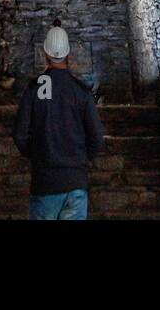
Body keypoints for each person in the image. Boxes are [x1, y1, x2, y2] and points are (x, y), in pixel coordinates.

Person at [12, 22, 105, 220]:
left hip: (44, 182)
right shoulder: (81, 91)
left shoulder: (34, 88)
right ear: (68, 55)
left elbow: (20, 134)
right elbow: (97, 137)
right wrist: (79, 160)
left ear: (45, 54)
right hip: (75, 184)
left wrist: (38, 153)